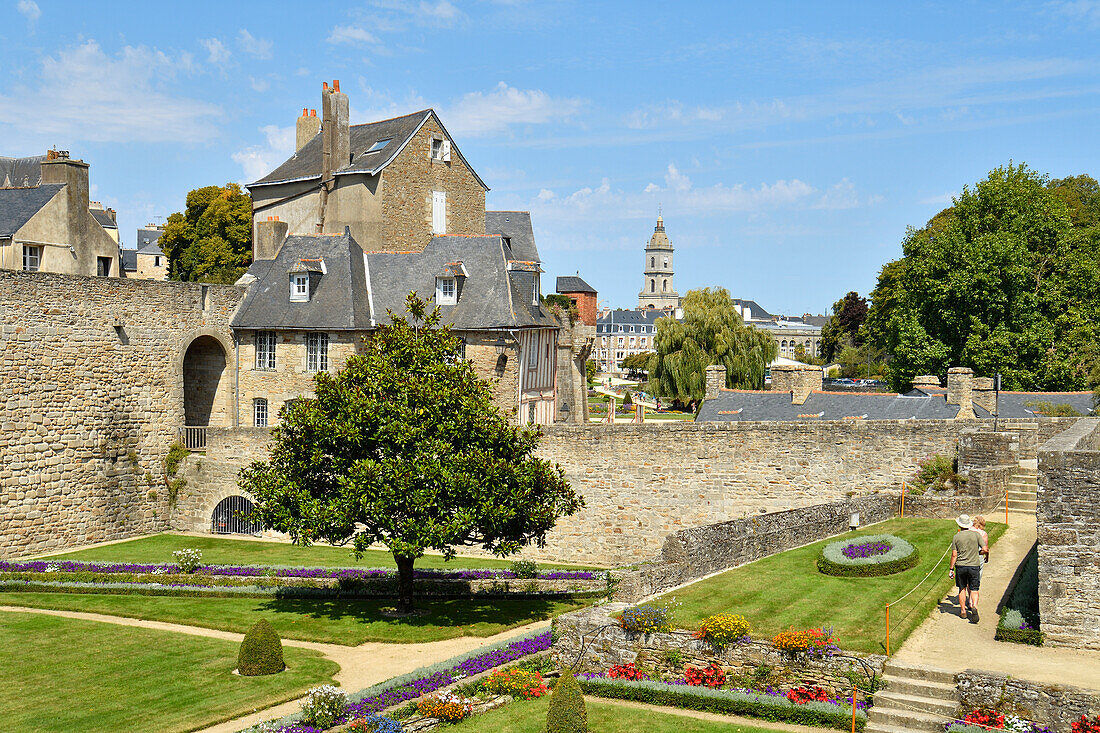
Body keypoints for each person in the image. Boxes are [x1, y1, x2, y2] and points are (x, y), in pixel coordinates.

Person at [949, 514, 982, 621]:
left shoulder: (956, 537)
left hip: (961, 566)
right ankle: (974, 607)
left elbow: (954, 554)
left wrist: (951, 568)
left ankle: (963, 611)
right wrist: (979, 554)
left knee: (962, 588)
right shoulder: (976, 535)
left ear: (959, 525)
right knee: (974, 589)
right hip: (974, 566)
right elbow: (985, 548)